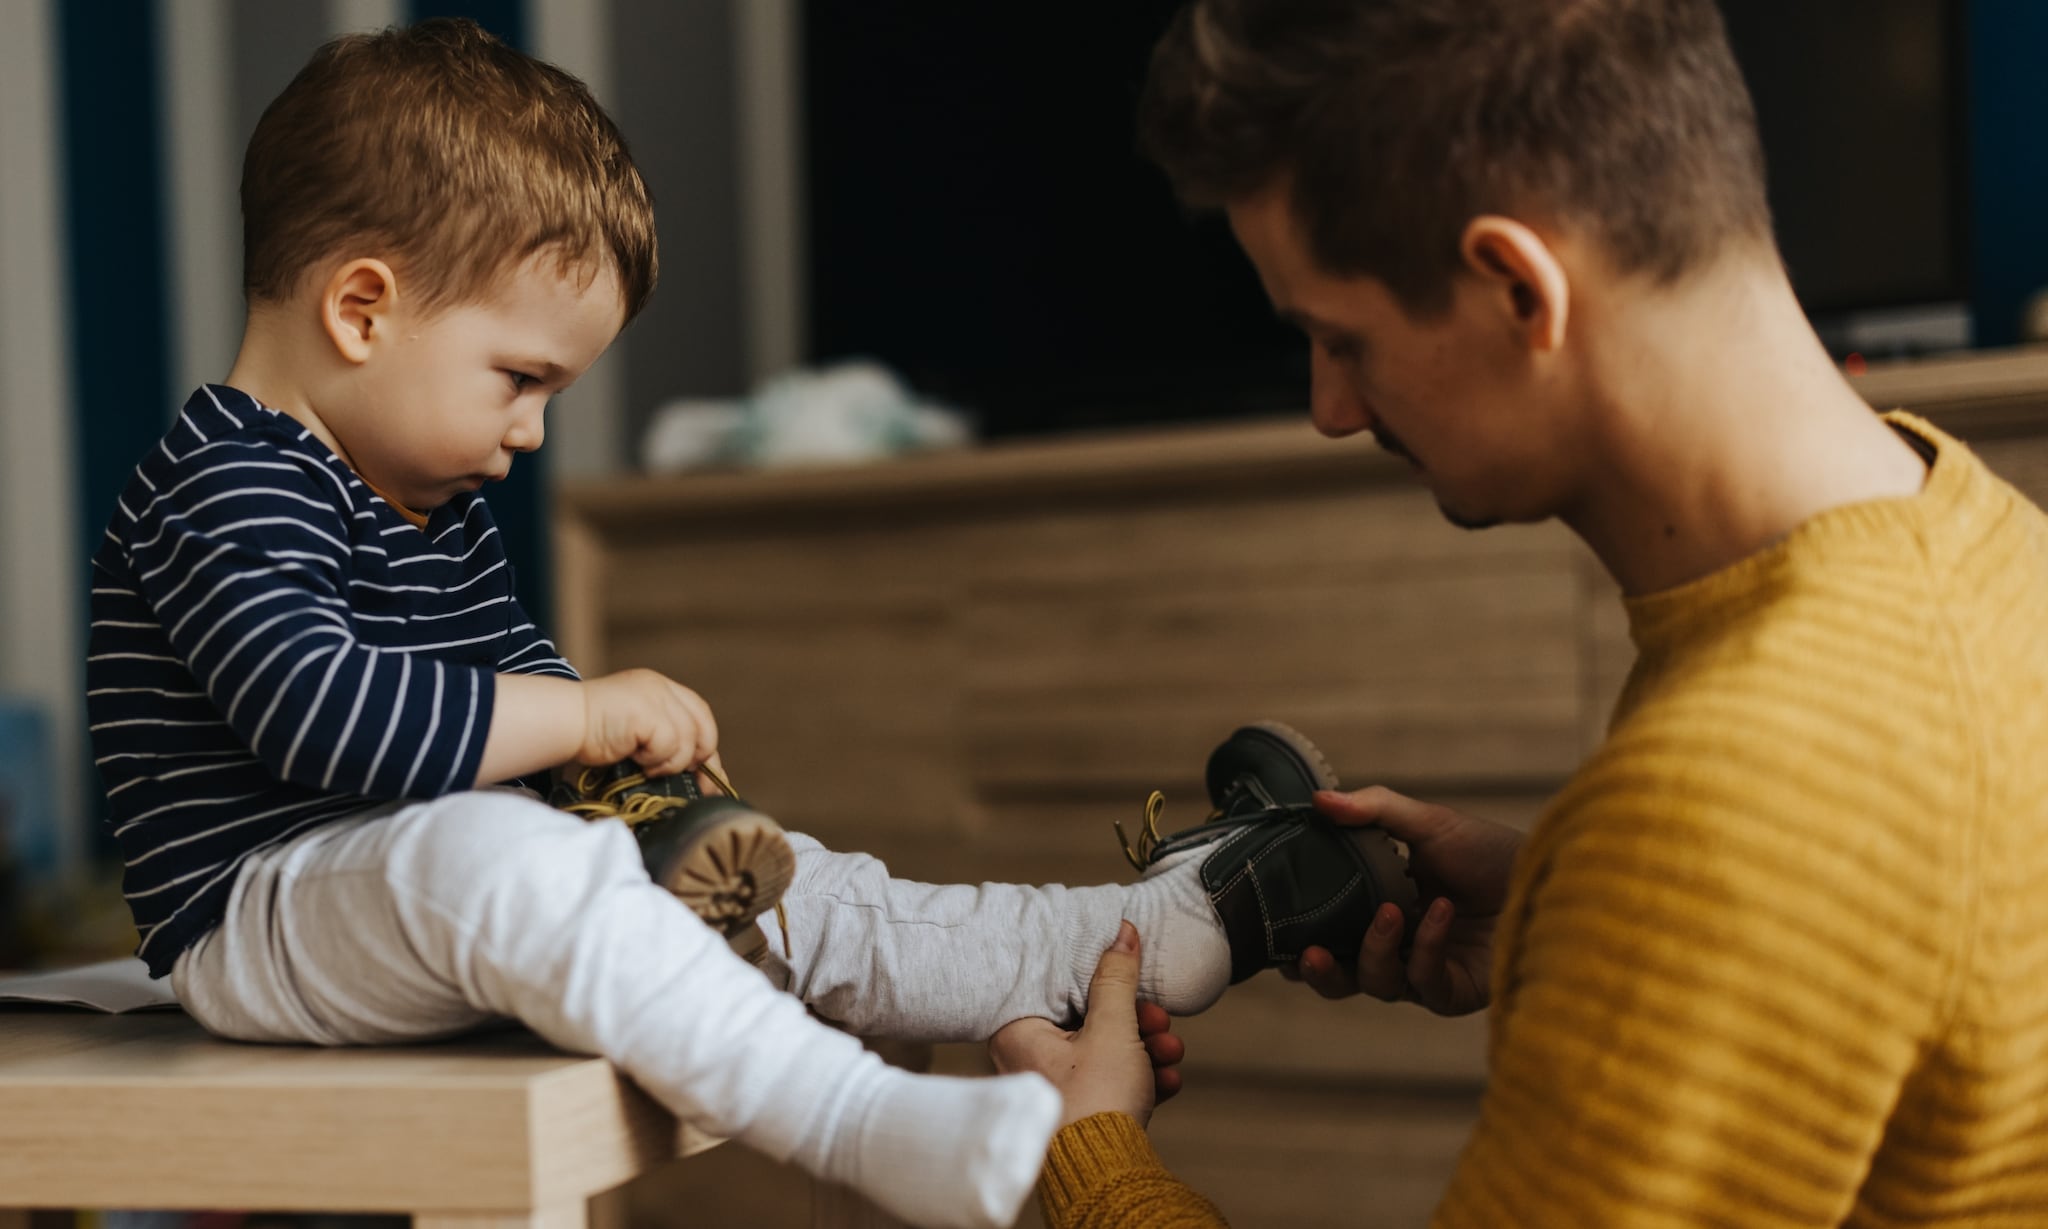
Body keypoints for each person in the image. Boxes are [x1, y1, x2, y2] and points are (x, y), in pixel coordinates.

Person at [87, 20, 1417, 1228]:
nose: (530, 431)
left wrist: (625, 785)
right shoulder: (229, 482)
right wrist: (590, 711)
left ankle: (1125, 940)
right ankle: (867, 1124)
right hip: (259, 910)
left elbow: (510, 687)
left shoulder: (431, 502)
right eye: (519, 378)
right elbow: (331, 722)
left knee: (788, 883)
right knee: (506, 860)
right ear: (362, 308)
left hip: (410, 878)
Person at [989, 0, 2048, 1225]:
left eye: (1342, 340)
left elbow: (1754, 838)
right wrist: (1563, 907)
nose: (1330, 407)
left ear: (1514, 285)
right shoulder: (1984, 544)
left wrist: (1090, 1154)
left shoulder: (1737, 796)